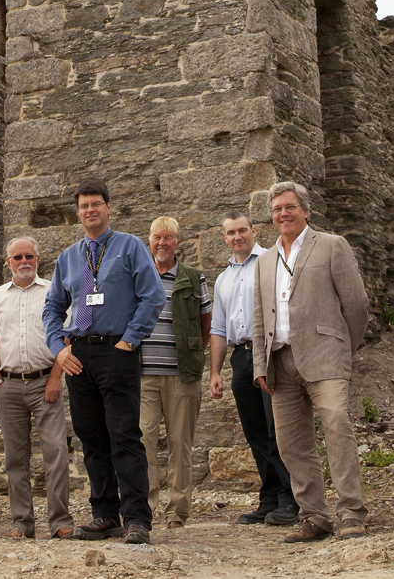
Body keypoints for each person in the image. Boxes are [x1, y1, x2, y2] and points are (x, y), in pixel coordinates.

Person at [43, 180, 165, 545]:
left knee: (124, 436)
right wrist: (58, 348)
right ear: (77, 212)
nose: (90, 210)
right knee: (91, 437)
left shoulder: (129, 247)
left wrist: (130, 339)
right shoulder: (69, 257)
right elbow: (52, 307)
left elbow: (153, 296)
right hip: (79, 355)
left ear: (109, 208)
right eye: (84, 205)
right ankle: (104, 514)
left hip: (117, 351)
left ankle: (137, 519)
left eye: (96, 203)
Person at [251, 181, 370, 543]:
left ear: (305, 210)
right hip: (280, 361)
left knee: (336, 424)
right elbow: (259, 316)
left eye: (289, 207)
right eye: (277, 210)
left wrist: (341, 347)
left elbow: (357, 305)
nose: (283, 214)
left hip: (325, 356)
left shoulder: (332, 246)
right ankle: (314, 516)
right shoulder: (266, 260)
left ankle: (351, 512)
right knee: (290, 443)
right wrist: (260, 364)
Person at [0, 236, 74, 540]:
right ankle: (22, 522)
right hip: (8, 386)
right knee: (14, 458)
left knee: (56, 453)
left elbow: (65, 339)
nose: (23, 262)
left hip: (46, 382)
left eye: (29, 256)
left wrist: (56, 378)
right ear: (8, 263)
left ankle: (59, 521)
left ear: (38, 259)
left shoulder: (53, 293)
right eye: (17, 257)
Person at [207, 211, 297, 526]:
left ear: (254, 230)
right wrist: (215, 371)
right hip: (240, 359)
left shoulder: (272, 263)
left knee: (279, 430)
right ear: (224, 237)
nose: (237, 237)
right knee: (256, 432)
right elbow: (218, 328)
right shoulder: (222, 279)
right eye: (230, 232)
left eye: (242, 230)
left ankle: (292, 498)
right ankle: (270, 499)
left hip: (270, 354)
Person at [139, 217, 211, 529]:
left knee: (181, 444)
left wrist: (192, 353)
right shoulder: (137, 277)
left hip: (183, 377)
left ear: (177, 242)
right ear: (150, 241)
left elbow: (206, 324)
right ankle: (145, 509)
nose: (162, 244)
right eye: (157, 238)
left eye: (168, 238)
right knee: (143, 442)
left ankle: (177, 512)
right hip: (141, 376)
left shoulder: (195, 278)